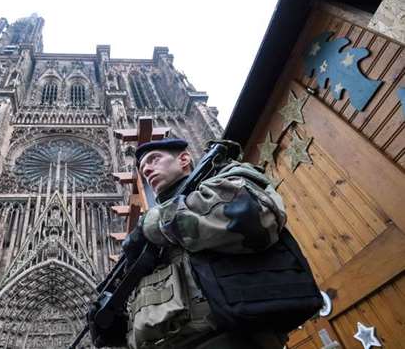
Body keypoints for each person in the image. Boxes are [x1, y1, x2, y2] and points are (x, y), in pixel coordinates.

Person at [121, 138, 289, 349]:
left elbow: (251, 216)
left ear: (183, 159)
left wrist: (150, 224)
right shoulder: (159, 232)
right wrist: (122, 326)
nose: (146, 169)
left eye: (154, 159)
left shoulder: (226, 175)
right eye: (143, 168)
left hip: (232, 338)